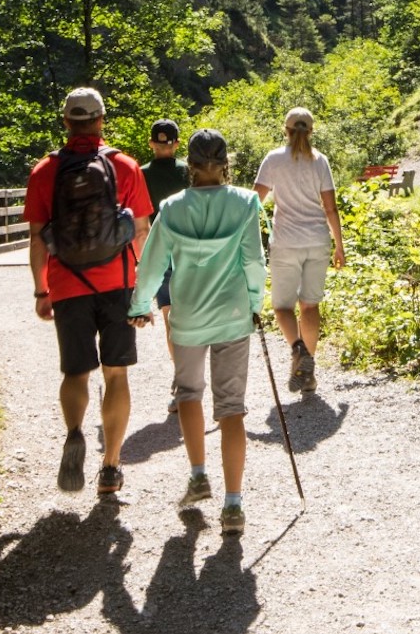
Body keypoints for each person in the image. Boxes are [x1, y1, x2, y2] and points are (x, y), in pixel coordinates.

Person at [127, 129, 265, 537]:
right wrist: (255, 305)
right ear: (225, 163)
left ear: (190, 164)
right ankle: (234, 505)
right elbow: (254, 261)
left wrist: (138, 307)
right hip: (233, 314)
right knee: (232, 407)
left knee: (189, 393)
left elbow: (151, 265)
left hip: (188, 314)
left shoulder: (171, 208)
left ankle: (198, 475)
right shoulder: (245, 203)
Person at [25, 86, 152, 496]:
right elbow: (141, 232)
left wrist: (41, 291)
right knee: (116, 373)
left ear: (66, 122)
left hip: (67, 285)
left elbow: (37, 238)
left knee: (76, 371)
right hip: (117, 283)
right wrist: (142, 290)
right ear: (101, 121)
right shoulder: (125, 166)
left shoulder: (45, 171)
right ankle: (111, 466)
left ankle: (76, 433)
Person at [253, 106, 346, 394]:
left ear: (286, 130)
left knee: (282, 307)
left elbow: (254, 201)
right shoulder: (320, 161)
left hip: (286, 242)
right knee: (310, 305)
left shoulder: (274, 159)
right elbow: (330, 208)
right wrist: (339, 246)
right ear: (312, 131)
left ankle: (298, 351)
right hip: (317, 240)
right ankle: (308, 368)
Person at [141, 118, 190, 413]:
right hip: (190, 251)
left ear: (151, 145)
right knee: (190, 313)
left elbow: (141, 221)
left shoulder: (141, 174)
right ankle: (190, 376)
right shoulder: (188, 171)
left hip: (161, 252)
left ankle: (181, 378)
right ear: (177, 143)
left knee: (169, 315)